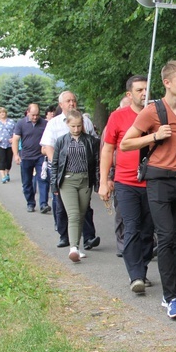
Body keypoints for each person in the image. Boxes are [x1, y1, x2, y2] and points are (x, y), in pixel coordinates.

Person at [120, 60, 176, 320]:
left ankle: (171, 293)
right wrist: (154, 136)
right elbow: (126, 144)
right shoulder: (152, 111)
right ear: (167, 83)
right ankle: (170, 298)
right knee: (166, 237)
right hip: (158, 181)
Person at [99, 75, 155, 293]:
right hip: (126, 182)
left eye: (147, 89)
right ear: (129, 94)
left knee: (148, 232)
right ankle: (136, 276)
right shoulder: (118, 117)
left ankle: (142, 268)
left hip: (152, 182)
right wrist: (104, 181)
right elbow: (107, 149)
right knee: (131, 228)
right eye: (140, 90)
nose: (144, 94)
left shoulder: (157, 115)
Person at [41, 91, 100, 250]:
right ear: (61, 105)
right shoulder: (53, 123)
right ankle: (64, 236)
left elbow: (93, 145)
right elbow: (47, 147)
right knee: (61, 207)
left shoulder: (85, 121)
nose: (72, 103)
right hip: (64, 173)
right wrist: (59, 165)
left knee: (84, 209)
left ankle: (88, 238)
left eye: (74, 100)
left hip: (83, 174)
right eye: (68, 101)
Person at [50, 110, 100, 263]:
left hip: (85, 180)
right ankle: (73, 248)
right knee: (73, 214)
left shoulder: (91, 141)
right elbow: (56, 165)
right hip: (67, 181)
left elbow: (97, 164)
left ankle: (77, 248)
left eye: (79, 126)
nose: (76, 129)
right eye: (73, 126)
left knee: (81, 214)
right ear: (67, 125)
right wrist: (54, 186)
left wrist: (98, 184)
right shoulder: (61, 141)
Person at [11, 104, 50, 213]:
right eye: (33, 115)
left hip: (40, 156)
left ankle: (43, 204)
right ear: (28, 112)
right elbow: (15, 140)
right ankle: (30, 203)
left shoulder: (45, 124)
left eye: (37, 115)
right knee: (27, 182)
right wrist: (16, 155)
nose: (35, 117)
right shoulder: (21, 123)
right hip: (26, 157)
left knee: (43, 179)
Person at [0, 107, 15, 184]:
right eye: (0, 113)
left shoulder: (11, 122)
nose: (2, 114)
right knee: (2, 159)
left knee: (9, 160)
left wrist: (13, 138)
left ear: (5, 113)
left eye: (3, 112)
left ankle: (7, 173)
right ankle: (3, 176)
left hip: (10, 144)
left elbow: (16, 131)